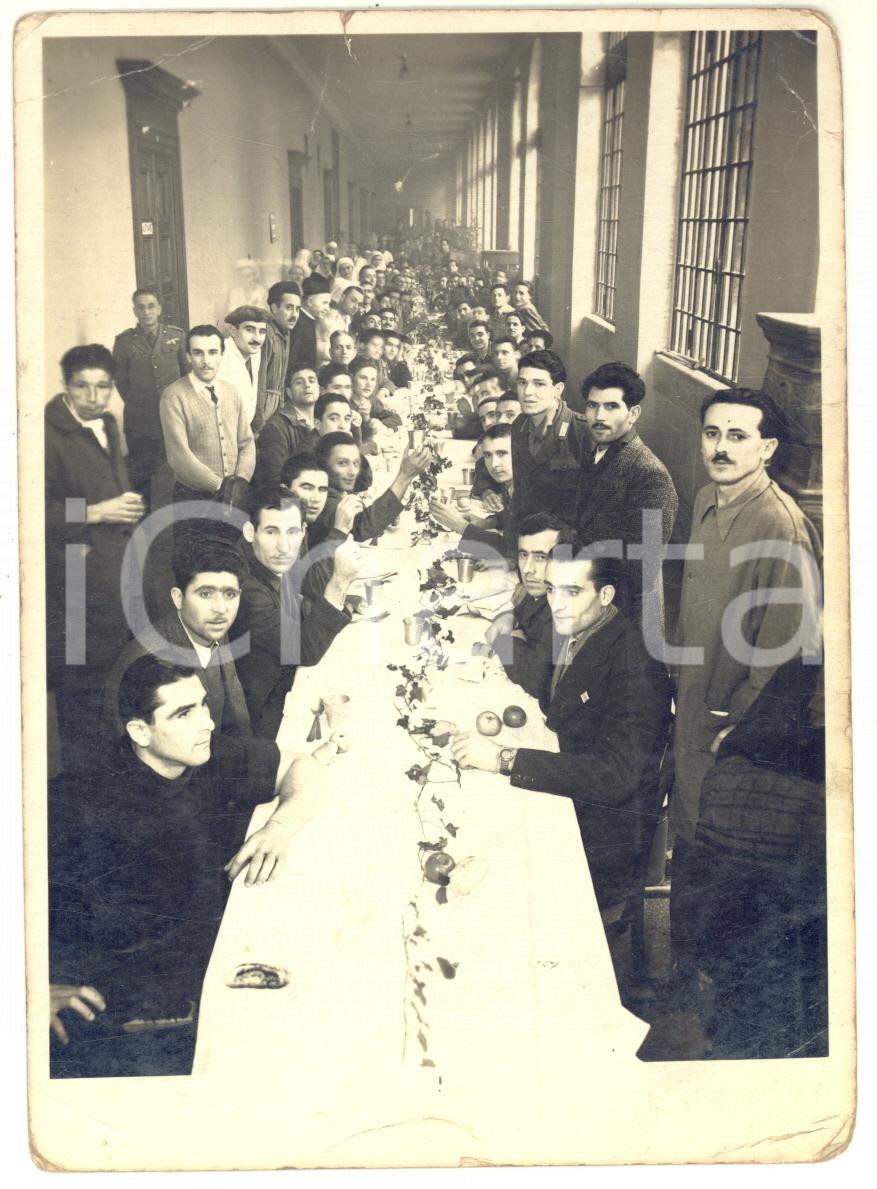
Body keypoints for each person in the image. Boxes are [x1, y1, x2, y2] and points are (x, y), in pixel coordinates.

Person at [49, 654, 328, 1078]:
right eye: (183, 713)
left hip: (205, 947)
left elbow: (301, 766)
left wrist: (277, 829)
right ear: (140, 731)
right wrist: (27, 988)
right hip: (128, 999)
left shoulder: (201, 753)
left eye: (202, 705)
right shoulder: (84, 803)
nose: (207, 723)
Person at [670, 388, 822, 986]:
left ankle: (701, 995)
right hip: (692, 709)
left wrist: (733, 730)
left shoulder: (782, 529)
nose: (722, 447)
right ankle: (678, 977)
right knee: (686, 838)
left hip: (730, 738)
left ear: (768, 448)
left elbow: (789, 658)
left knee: (716, 865)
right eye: (713, 433)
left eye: (738, 436)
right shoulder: (708, 497)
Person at [452, 549, 671, 915]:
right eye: (552, 590)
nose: (556, 604)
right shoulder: (586, 630)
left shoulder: (635, 666)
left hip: (600, 833)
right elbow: (548, 690)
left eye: (572, 591)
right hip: (574, 786)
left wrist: (506, 759)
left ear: (606, 595)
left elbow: (615, 775)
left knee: (475, 854)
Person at [45, 344, 145, 772]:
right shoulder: (45, 433)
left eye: (103, 386)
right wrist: (97, 512)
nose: (94, 396)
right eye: (82, 386)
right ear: (66, 387)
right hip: (74, 588)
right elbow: (26, 509)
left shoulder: (107, 421)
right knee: (81, 702)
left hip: (114, 578)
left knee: (114, 689)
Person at [234, 488, 362, 737]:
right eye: (271, 532)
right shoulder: (247, 589)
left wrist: (341, 601)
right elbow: (305, 650)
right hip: (265, 720)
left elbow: (299, 608)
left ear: (303, 532)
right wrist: (338, 584)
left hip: (285, 688)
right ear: (251, 532)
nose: (283, 546)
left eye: (292, 532)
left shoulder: (268, 566)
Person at [102, 531, 251, 740]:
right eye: (205, 594)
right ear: (178, 598)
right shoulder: (147, 659)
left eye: (230, 594)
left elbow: (236, 707)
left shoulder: (214, 629)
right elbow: (125, 746)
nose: (221, 608)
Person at [574, 362, 678, 622]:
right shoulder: (596, 452)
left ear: (633, 413)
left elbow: (643, 567)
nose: (599, 417)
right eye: (592, 405)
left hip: (623, 617)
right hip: (589, 602)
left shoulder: (649, 474)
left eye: (611, 406)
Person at [160, 324, 255, 510]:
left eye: (213, 352)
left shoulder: (232, 392)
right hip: (193, 498)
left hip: (234, 497)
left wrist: (238, 485)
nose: (206, 361)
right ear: (188, 356)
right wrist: (221, 487)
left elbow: (247, 443)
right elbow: (179, 456)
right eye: (198, 353)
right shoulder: (173, 396)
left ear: (221, 354)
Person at [483, 512, 575, 699]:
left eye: (541, 557)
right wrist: (508, 617)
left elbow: (534, 681)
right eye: (523, 555)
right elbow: (522, 612)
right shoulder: (542, 588)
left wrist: (505, 640)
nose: (527, 569)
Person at [112, 287, 189, 497]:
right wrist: (140, 402)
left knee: (175, 472)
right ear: (135, 311)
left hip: (173, 418)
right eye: (141, 307)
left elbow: (186, 375)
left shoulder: (176, 336)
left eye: (151, 306)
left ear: (159, 309)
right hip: (140, 421)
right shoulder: (124, 342)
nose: (146, 312)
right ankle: (145, 522)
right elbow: (121, 381)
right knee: (141, 476)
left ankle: (173, 521)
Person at [508, 349, 589, 535]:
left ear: (558, 390)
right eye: (522, 383)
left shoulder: (582, 432)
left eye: (539, 384)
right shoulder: (519, 426)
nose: (528, 392)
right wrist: (512, 553)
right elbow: (520, 499)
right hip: (530, 540)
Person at [307, 433, 433, 549]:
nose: (352, 472)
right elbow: (363, 527)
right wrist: (405, 475)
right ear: (323, 466)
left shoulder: (335, 484)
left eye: (356, 464)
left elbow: (365, 481)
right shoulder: (323, 498)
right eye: (342, 463)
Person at [253, 361, 321, 489]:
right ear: (289, 392)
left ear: (319, 388)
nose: (307, 385)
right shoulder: (276, 427)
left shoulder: (323, 420)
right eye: (299, 382)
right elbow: (274, 478)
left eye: (312, 381)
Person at [257, 281, 302, 434]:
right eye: (289, 308)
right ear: (274, 308)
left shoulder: (286, 334)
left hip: (274, 411)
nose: (294, 315)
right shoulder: (267, 334)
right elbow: (259, 382)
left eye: (297, 309)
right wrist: (258, 424)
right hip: (261, 412)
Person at [218, 305, 269, 429]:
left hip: (243, 431)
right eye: (249, 330)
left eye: (262, 331)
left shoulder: (254, 353)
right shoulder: (221, 356)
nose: (257, 338)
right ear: (233, 331)